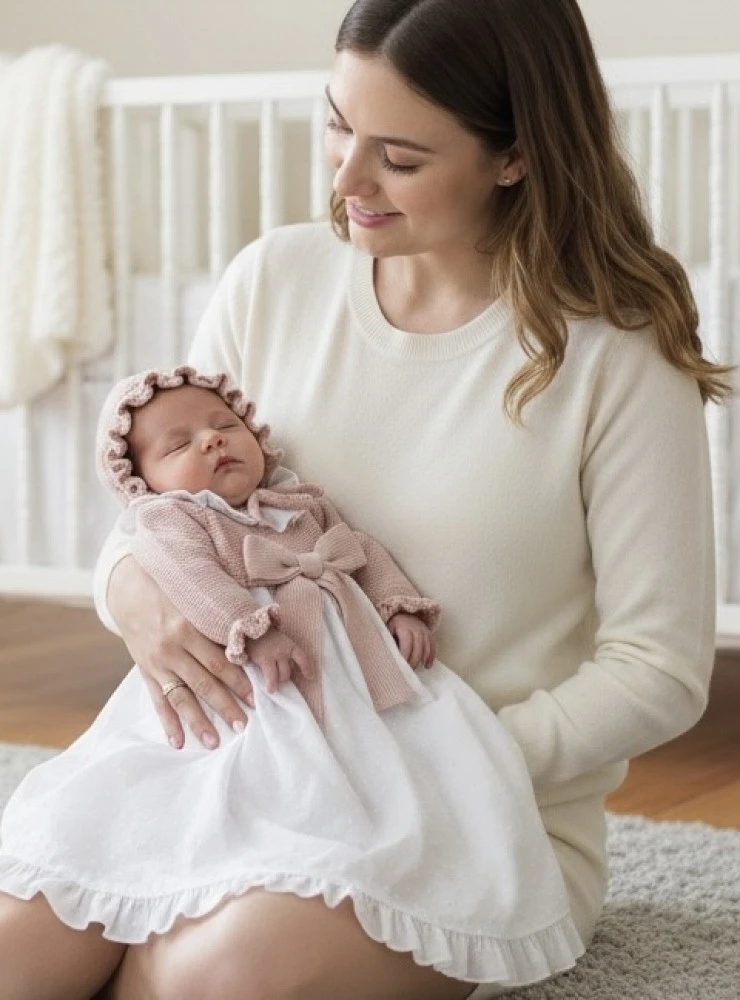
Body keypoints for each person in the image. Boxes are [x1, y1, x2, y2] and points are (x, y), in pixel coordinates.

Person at [0, 0, 733, 997]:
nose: (343, 180)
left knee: (210, 976)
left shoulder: (614, 354)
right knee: (20, 942)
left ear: (512, 156)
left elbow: (657, 669)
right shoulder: (275, 279)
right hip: (218, 775)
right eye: (338, 124)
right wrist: (135, 599)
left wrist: (423, 762)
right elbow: (155, 522)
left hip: (467, 816)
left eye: (398, 155)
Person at [0, 364, 584, 998]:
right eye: (179, 444)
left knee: (273, 869)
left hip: (351, 702)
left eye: (224, 425)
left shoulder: (301, 503)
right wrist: (249, 624)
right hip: (243, 692)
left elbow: (361, 550)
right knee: (151, 816)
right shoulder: (174, 518)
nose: (212, 441)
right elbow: (187, 573)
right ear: (141, 482)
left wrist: (399, 605)